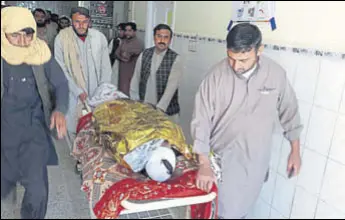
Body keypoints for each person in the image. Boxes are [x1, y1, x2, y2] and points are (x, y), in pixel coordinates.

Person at [191, 23, 303, 219]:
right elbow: (201, 120)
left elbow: (290, 111)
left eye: (243, 60)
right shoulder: (215, 76)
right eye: (231, 58)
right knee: (219, 211)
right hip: (222, 162)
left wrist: (295, 151)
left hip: (255, 162)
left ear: (259, 50)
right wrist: (204, 163)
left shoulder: (275, 75)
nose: (236, 66)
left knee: (240, 210)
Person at [1, 6, 69, 219]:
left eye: (28, 34)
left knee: (38, 190)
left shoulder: (41, 52)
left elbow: (60, 83)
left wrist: (59, 109)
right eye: (15, 35)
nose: (23, 41)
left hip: (33, 129)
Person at [54, 6, 112, 151]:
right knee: (73, 126)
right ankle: (78, 157)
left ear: (90, 22)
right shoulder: (62, 38)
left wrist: (103, 89)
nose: (81, 25)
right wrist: (77, 90)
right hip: (72, 93)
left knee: (96, 126)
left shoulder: (99, 38)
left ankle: (92, 158)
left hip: (96, 93)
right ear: (71, 21)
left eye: (85, 22)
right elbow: (61, 69)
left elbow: (106, 66)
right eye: (77, 22)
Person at [130, 24, 183, 124]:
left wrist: (159, 110)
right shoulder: (145, 54)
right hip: (144, 109)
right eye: (159, 36)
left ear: (170, 40)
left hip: (166, 112)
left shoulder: (175, 59)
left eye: (166, 37)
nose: (162, 40)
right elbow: (135, 79)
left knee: (167, 138)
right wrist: (135, 103)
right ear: (154, 37)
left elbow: (171, 89)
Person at [116, 22, 144, 96]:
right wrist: (123, 55)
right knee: (121, 94)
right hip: (122, 74)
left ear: (134, 31)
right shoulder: (124, 41)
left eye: (129, 30)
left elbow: (127, 57)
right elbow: (117, 53)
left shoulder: (138, 43)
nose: (127, 33)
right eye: (126, 30)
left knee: (131, 95)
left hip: (132, 74)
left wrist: (123, 54)